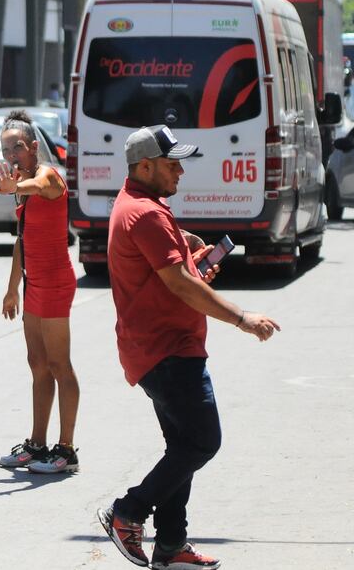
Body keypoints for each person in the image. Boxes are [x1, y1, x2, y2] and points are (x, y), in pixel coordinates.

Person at [97, 125, 280, 570]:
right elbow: (178, 283)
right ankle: (129, 512)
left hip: (158, 346)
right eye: (172, 163)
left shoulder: (140, 205)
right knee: (202, 442)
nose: (180, 170)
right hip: (167, 350)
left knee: (182, 444)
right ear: (145, 166)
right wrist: (242, 318)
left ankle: (171, 545)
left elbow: (171, 269)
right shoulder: (146, 213)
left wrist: (188, 249)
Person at [0, 110, 81, 475]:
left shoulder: (46, 176)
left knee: (60, 365)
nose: (11, 154)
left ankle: (66, 450)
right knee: (38, 365)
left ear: (32, 147)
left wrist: (18, 187)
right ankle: (37, 444)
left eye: (16, 147)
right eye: (5, 148)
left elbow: (42, 187)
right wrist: (12, 289)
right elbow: (22, 240)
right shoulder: (21, 184)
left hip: (57, 283)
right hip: (34, 284)